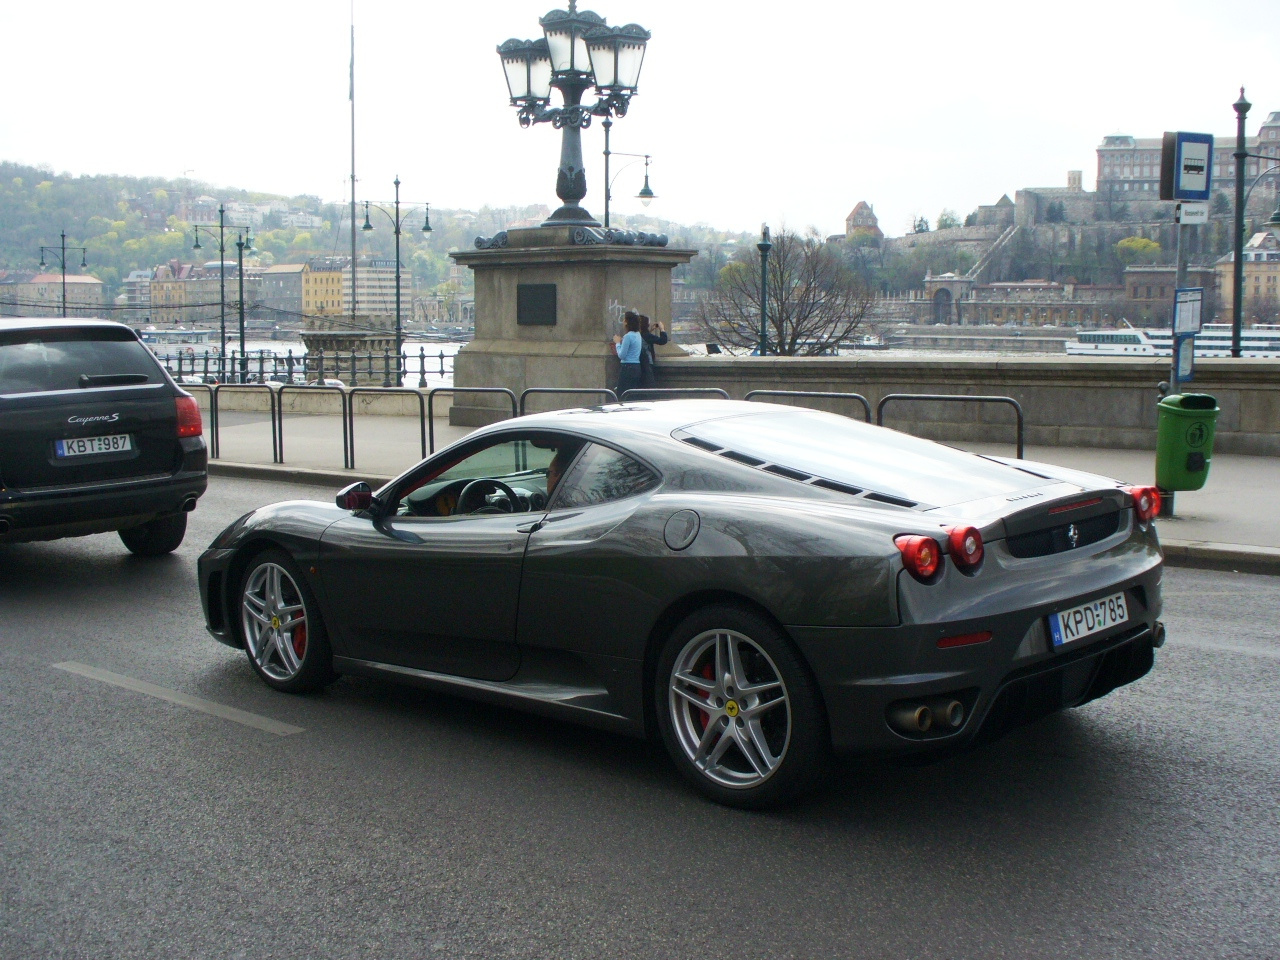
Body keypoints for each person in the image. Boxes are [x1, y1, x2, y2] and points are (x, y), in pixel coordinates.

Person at [613, 310, 643, 398]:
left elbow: (622, 355)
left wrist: (617, 343)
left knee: (622, 394)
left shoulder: (628, 336)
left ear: (627, 322)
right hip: (636, 367)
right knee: (632, 394)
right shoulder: (638, 335)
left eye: (624, 320)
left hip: (627, 367)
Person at [638, 315, 668, 389]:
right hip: (647, 363)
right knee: (649, 385)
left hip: (638, 363)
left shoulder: (638, 335)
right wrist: (662, 329)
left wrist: (650, 330)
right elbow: (663, 340)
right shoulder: (647, 336)